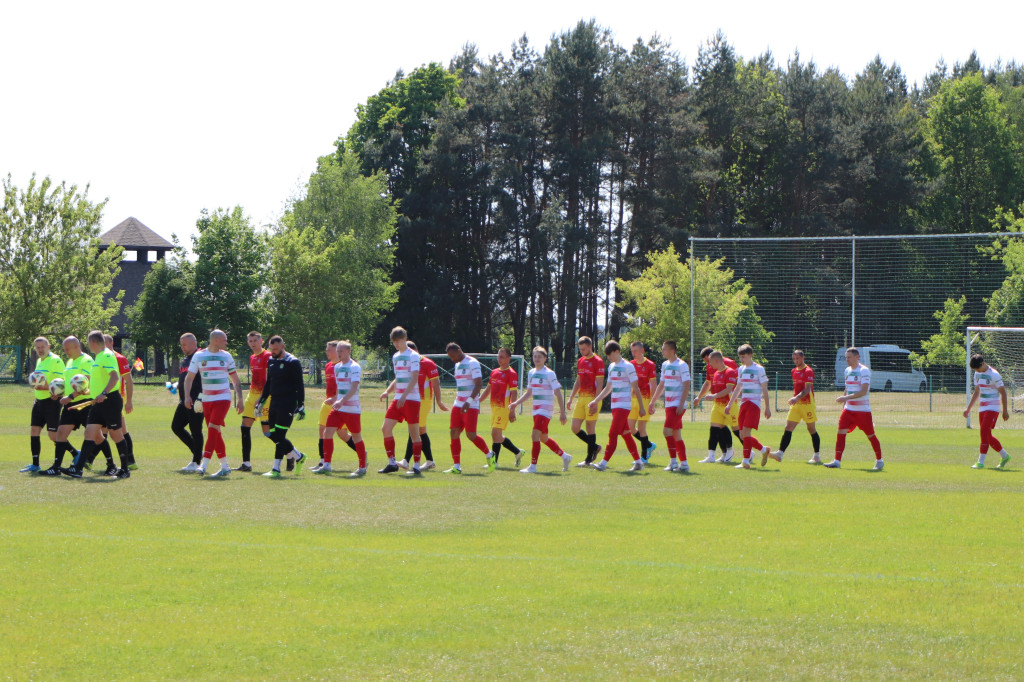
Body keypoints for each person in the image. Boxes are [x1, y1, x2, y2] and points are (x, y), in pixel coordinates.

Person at [62, 331, 132, 479]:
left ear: (92, 342)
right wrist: (88, 392)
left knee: (116, 434)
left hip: (110, 401)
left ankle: (125, 469)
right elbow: (98, 381)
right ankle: (78, 469)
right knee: (89, 432)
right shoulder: (99, 357)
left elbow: (114, 376)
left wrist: (104, 393)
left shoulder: (106, 356)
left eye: (88, 343)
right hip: (98, 403)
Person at [183, 329, 244, 477]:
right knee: (216, 433)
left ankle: (203, 465)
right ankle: (225, 466)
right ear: (215, 340)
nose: (226, 342)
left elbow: (235, 380)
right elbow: (189, 378)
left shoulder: (226, 356)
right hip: (207, 400)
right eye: (224, 339)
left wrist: (240, 399)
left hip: (223, 399)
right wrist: (187, 396)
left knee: (212, 429)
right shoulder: (199, 356)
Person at [508, 346, 571, 473]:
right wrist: (516, 403)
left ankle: (533, 466)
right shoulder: (531, 373)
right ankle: (565, 456)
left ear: (545, 359)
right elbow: (529, 393)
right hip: (536, 410)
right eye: (535, 356)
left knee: (534, 435)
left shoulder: (549, 373)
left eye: (539, 356)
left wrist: (562, 412)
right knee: (543, 438)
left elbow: (558, 393)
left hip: (545, 410)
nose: (536, 359)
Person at [38, 336, 92, 476]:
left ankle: (112, 464)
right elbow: (66, 382)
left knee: (96, 435)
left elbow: (86, 384)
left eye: (67, 349)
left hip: (84, 403)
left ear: (76, 346)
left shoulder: (86, 360)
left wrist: (71, 396)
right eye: (64, 349)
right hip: (69, 403)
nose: (66, 352)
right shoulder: (69, 362)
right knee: (61, 433)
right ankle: (56, 467)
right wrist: (58, 393)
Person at [588, 341, 645, 472]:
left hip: (624, 406)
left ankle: (603, 463)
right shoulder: (611, 367)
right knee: (626, 434)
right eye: (607, 356)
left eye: (610, 355)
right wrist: (595, 401)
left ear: (617, 352)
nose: (609, 358)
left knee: (612, 433)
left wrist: (642, 407)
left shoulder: (628, 366)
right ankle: (638, 462)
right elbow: (608, 387)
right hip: (615, 406)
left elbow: (636, 388)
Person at [315, 340, 369, 476]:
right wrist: (334, 399)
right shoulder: (337, 367)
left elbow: (354, 388)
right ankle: (326, 464)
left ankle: (362, 467)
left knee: (356, 436)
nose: (338, 353)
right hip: (338, 408)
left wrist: (341, 401)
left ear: (348, 351)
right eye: (337, 351)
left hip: (351, 409)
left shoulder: (354, 367)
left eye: (341, 351)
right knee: (327, 432)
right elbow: (340, 388)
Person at [256, 335, 307, 477]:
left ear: (282, 347)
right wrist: (262, 401)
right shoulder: (271, 360)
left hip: (288, 402)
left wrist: (301, 404)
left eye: (275, 349)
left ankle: (276, 469)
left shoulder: (293, 362)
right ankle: (299, 456)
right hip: (274, 401)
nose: (272, 352)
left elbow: (299, 385)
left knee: (280, 435)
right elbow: (269, 382)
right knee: (273, 434)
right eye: (271, 349)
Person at [827, 347, 884, 470]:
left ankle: (879, 460)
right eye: (846, 357)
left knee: (870, 435)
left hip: (862, 411)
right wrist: (844, 403)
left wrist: (845, 398)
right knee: (840, 433)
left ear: (857, 357)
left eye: (849, 357)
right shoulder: (847, 370)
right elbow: (847, 388)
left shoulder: (864, 371)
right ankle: (837, 461)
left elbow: (863, 391)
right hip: (848, 410)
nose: (847, 360)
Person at [443, 342, 494, 474]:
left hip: (471, 405)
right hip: (457, 404)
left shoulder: (473, 363)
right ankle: (456, 466)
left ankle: (489, 455)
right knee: (453, 433)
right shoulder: (457, 365)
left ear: (459, 350)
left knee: (471, 435)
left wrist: (469, 401)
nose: (452, 359)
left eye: (453, 355)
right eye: (450, 357)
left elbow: (478, 384)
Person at [378, 327, 422, 475]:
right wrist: (387, 391)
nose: (396, 344)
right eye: (394, 342)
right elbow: (398, 378)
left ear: (404, 339)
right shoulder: (396, 356)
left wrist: (404, 395)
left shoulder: (414, 356)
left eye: (398, 341)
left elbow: (414, 378)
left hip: (411, 400)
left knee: (414, 434)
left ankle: (416, 465)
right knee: (385, 428)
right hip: (398, 399)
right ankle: (392, 463)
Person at [724, 344, 773, 469]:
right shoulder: (741, 369)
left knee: (746, 433)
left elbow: (765, 390)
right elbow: (738, 388)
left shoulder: (759, 369)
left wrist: (767, 407)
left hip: (754, 404)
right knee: (742, 435)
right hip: (744, 404)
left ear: (750, 355)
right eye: (740, 357)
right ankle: (763, 450)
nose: (742, 360)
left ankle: (745, 462)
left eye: (744, 357)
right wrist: (730, 404)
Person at [400, 341, 447, 470]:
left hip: (424, 401)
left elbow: (436, 383)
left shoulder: (427, 363)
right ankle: (430, 461)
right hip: (412, 401)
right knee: (420, 431)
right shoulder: (407, 364)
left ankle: (406, 460)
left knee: (414, 429)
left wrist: (439, 401)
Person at [21, 336, 65, 473]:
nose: (40, 350)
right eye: (37, 347)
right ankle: (35, 464)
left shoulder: (56, 360)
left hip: (52, 402)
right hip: (38, 401)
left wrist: (47, 389)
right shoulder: (40, 361)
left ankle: (75, 453)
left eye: (42, 347)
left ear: (48, 347)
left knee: (53, 435)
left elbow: (62, 383)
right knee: (34, 431)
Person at [647, 340, 691, 472]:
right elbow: (661, 385)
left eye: (664, 349)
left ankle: (673, 462)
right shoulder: (665, 364)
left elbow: (686, 385)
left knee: (666, 431)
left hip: (677, 405)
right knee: (676, 434)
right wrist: (653, 401)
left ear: (672, 351)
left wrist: (681, 404)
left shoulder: (682, 365)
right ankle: (684, 464)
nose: (662, 351)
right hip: (669, 404)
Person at [771, 350, 822, 464]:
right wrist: (795, 399)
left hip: (807, 404)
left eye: (797, 358)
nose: (795, 361)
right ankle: (780, 453)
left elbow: (807, 389)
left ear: (803, 357)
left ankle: (817, 456)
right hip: (796, 405)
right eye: (794, 359)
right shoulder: (793, 371)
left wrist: (796, 398)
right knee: (788, 427)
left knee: (811, 429)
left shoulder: (808, 371)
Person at [478, 348, 525, 468]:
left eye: (502, 357)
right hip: (494, 407)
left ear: (509, 358)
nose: (500, 359)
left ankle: (494, 462)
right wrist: (477, 401)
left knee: (495, 433)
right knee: (498, 436)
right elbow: (488, 389)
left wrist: (512, 410)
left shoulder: (512, 373)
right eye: (499, 357)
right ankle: (518, 452)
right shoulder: (494, 372)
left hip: (504, 408)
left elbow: (514, 393)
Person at [694, 347, 741, 463]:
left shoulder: (729, 367)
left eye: (708, 360)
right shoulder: (714, 371)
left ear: (713, 358)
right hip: (718, 404)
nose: (708, 364)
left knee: (737, 430)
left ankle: (751, 451)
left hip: (730, 403)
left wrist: (716, 396)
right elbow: (708, 384)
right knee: (716, 428)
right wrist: (700, 397)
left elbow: (735, 384)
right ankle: (719, 454)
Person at [963, 354, 1011, 469]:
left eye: (977, 368)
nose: (977, 371)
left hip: (993, 407)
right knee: (987, 436)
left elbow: (1003, 392)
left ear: (983, 364)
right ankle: (1005, 456)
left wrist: (1005, 411)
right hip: (983, 407)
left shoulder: (994, 374)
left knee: (984, 431)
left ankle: (980, 462)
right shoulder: (977, 373)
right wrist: (968, 408)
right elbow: (977, 391)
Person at [566, 336, 605, 465]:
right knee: (574, 427)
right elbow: (578, 381)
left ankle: (588, 459)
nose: (582, 351)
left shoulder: (598, 361)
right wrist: (571, 398)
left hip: (593, 398)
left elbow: (600, 384)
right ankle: (595, 447)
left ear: (590, 346)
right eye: (580, 349)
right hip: (581, 398)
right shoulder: (581, 361)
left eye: (584, 349)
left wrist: (596, 401)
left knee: (590, 428)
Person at [238, 331, 272, 471]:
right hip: (252, 395)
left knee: (268, 432)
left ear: (261, 341)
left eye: (255, 340)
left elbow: (269, 380)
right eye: (250, 341)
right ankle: (246, 464)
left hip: (265, 397)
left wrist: (262, 397)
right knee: (244, 427)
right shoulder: (252, 357)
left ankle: (291, 454)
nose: (253, 343)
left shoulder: (267, 356)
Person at [103, 334, 136, 469]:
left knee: (111, 429)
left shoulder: (119, 358)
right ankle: (130, 461)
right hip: (104, 398)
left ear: (111, 343)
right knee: (110, 429)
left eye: (103, 343)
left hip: (116, 398)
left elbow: (129, 381)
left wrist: (129, 401)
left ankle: (88, 459)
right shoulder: (100, 357)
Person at [174, 333, 206, 472]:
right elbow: (185, 377)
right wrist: (177, 385)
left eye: (185, 344)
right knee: (176, 426)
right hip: (184, 399)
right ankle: (198, 453)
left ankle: (196, 462)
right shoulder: (186, 358)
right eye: (181, 345)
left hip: (196, 400)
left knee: (196, 430)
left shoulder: (200, 356)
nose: (182, 347)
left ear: (194, 343)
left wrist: (201, 397)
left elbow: (204, 377)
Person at [628, 341, 659, 462]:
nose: (633, 353)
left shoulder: (650, 364)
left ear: (642, 351)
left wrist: (652, 402)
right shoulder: (630, 364)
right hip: (633, 400)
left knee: (641, 427)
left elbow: (653, 385)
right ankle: (649, 445)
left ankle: (644, 456)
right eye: (632, 351)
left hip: (645, 399)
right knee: (630, 428)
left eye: (635, 351)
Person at [316, 340, 340, 469]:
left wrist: (336, 399)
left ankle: (362, 454)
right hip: (327, 402)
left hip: (339, 403)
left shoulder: (342, 365)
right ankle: (322, 460)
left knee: (342, 434)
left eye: (329, 349)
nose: (326, 351)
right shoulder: (328, 365)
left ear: (336, 350)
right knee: (321, 430)